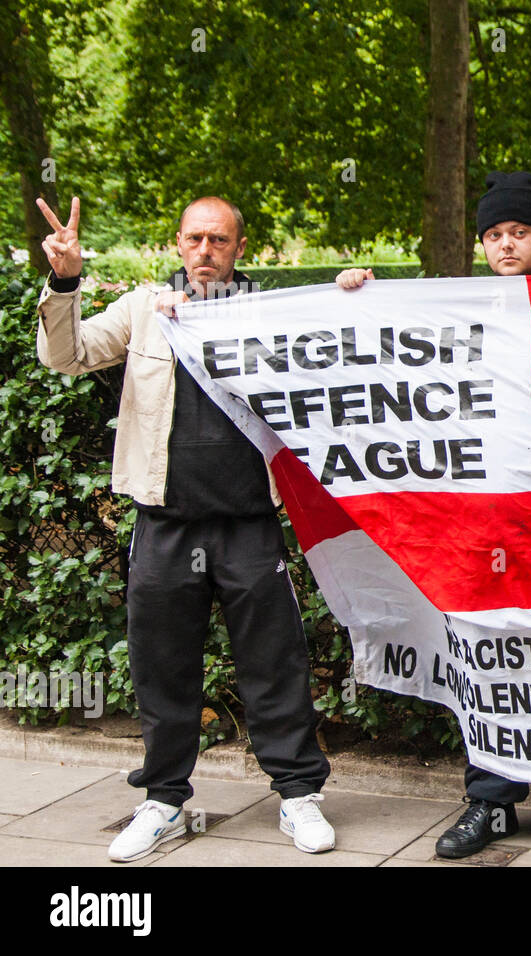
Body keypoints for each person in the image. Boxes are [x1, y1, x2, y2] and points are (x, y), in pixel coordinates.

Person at [337, 171, 531, 867]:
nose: (508, 245)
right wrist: (357, 299)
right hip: (486, 519)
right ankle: (492, 800)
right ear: (483, 243)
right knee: (488, 653)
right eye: (496, 235)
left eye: (521, 233)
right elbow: (377, 356)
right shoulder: (458, 306)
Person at [35, 195, 334, 862]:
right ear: (177, 244)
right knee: (163, 667)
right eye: (195, 239)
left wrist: (349, 294)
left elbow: (343, 357)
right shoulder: (145, 309)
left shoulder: (271, 315)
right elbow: (68, 355)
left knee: (275, 664)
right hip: (165, 523)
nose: (206, 250)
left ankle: (297, 797)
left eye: (219, 240)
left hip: (250, 523)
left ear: (239, 247)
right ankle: (164, 801)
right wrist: (65, 280)